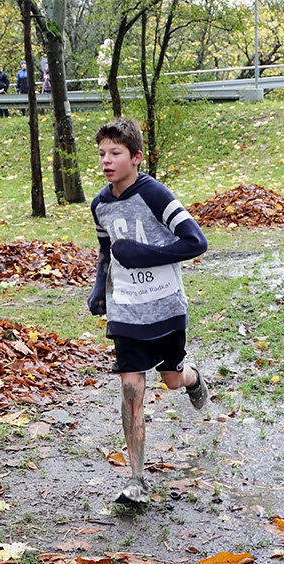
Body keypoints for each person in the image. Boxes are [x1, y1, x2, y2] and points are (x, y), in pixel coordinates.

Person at [87, 117, 209, 505]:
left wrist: (146, 256)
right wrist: (98, 289)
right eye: (102, 153)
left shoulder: (155, 194)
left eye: (116, 153)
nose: (107, 161)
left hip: (165, 304)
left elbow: (196, 242)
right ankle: (136, 480)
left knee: (171, 380)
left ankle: (192, 378)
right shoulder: (100, 205)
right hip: (125, 309)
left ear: (136, 157)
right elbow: (107, 250)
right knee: (131, 387)